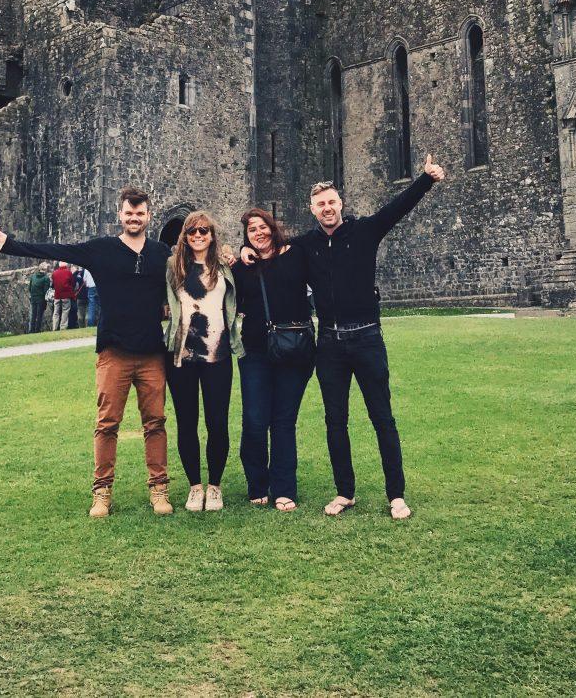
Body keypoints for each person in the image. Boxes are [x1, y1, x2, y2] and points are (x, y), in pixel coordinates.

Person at [249, 153, 445, 519]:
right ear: (312, 209)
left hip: (368, 338)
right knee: (335, 420)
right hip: (330, 345)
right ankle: (345, 492)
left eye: (332, 202)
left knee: (382, 417)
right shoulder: (306, 245)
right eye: (321, 204)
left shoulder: (365, 230)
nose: (327, 208)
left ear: (341, 204)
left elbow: (398, 208)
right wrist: (246, 251)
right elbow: (273, 250)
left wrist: (426, 179)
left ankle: (396, 494)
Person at [0, 187, 174, 518]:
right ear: (120, 215)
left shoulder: (161, 254)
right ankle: (102, 493)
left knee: (155, 423)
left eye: (140, 213)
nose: (134, 218)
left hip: (152, 352)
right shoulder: (102, 249)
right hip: (114, 352)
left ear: (149, 216)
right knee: (107, 423)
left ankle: (159, 490)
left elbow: (196, 265)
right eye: (129, 212)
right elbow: (58, 248)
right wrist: (10, 245)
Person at [232, 207, 313, 512]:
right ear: (246, 236)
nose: (258, 233)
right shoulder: (242, 268)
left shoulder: (296, 254)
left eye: (262, 227)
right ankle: (257, 482)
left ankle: (284, 488)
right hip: (254, 352)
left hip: (294, 349)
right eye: (251, 230)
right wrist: (236, 253)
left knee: (283, 421)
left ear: (273, 227)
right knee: (254, 419)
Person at [164, 211, 242, 512]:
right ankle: (195, 487)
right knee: (187, 422)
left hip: (218, 354)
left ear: (212, 234)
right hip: (181, 356)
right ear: (185, 235)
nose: (198, 235)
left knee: (217, 422)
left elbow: (237, 297)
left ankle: (215, 486)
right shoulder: (174, 265)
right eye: (192, 231)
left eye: (204, 231)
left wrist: (240, 253)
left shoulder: (224, 265)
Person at [50, 262, 77, 331]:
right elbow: (73, 284)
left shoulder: (54, 273)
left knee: (56, 312)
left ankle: (55, 327)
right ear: (66, 265)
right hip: (66, 295)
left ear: (59, 265)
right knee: (65, 311)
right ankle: (63, 327)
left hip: (57, 295)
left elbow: (52, 285)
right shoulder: (68, 272)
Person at [27, 263, 51, 333]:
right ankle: (37, 330)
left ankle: (31, 330)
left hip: (33, 298)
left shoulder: (33, 276)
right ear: (45, 269)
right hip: (41, 299)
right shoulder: (46, 278)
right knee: (39, 315)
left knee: (33, 315)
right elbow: (46, 291)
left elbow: (30, 288)